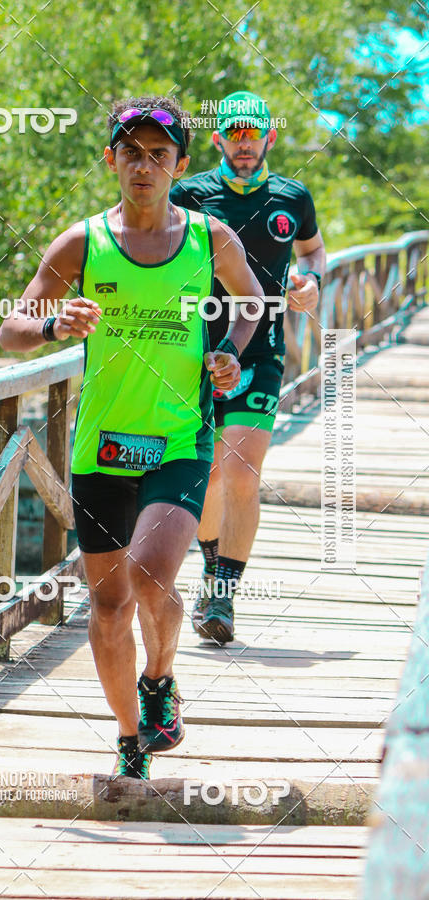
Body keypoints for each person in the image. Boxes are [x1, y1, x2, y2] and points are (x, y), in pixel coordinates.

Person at [0, 96, 265, 780]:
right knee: (109, 606)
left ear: (179, 164)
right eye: (131, 151)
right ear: (110, 158)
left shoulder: (211, 239)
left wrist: (230, 350)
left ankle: (160, 680)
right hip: (101, 448)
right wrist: (56, 326)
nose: (143, 165)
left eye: (159, 153)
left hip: (179, 438)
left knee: (151, 576)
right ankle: (128, 737)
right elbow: (11, 330)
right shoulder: (82, 243)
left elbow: (252, 300)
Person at [170, 90, 326, 644]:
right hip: (194, 350)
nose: (243, 143)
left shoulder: (293, 197)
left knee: (240, 471)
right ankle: (213, 566)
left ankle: (222, 597)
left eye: (252, 133)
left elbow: (312, 252)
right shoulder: (189, 193)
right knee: (208, 475)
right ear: (218, 138)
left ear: (269, 137)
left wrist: (311, 283)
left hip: (260, 351)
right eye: (233, 133)